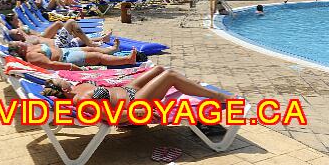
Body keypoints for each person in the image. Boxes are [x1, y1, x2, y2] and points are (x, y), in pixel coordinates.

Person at [42, 66, 233, 124]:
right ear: (64, 90)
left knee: (159, 69)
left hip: (130, 89)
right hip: (135, 101)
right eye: (60, 81)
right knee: (170, 76)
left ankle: (190, 86)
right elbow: (112, 117)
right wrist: (142, 114)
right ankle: (217, 97)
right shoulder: (83, 100)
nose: (61, 78)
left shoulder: (77, 88)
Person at [8, 41, 137, 70]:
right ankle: (127, 60)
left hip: (65, 51)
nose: (20, 41)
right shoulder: (31, 56)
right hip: (66, 58)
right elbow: (51, 65)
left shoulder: (30, 47)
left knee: (91, 48)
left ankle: (112, 49)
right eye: (17, 42)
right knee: (98, 58)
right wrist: (71, 67)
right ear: (19, 49)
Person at [8, 19, 115, 49]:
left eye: (18, 31)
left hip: (61, 43)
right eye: (17, 33)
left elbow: (20, 26)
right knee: (71, 22)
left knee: (80, 39)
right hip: (59, 46)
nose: (19, 32)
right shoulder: (27, 42)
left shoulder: (28, 36)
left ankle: (102, 38)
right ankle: (91, 44)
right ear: (17, 38)